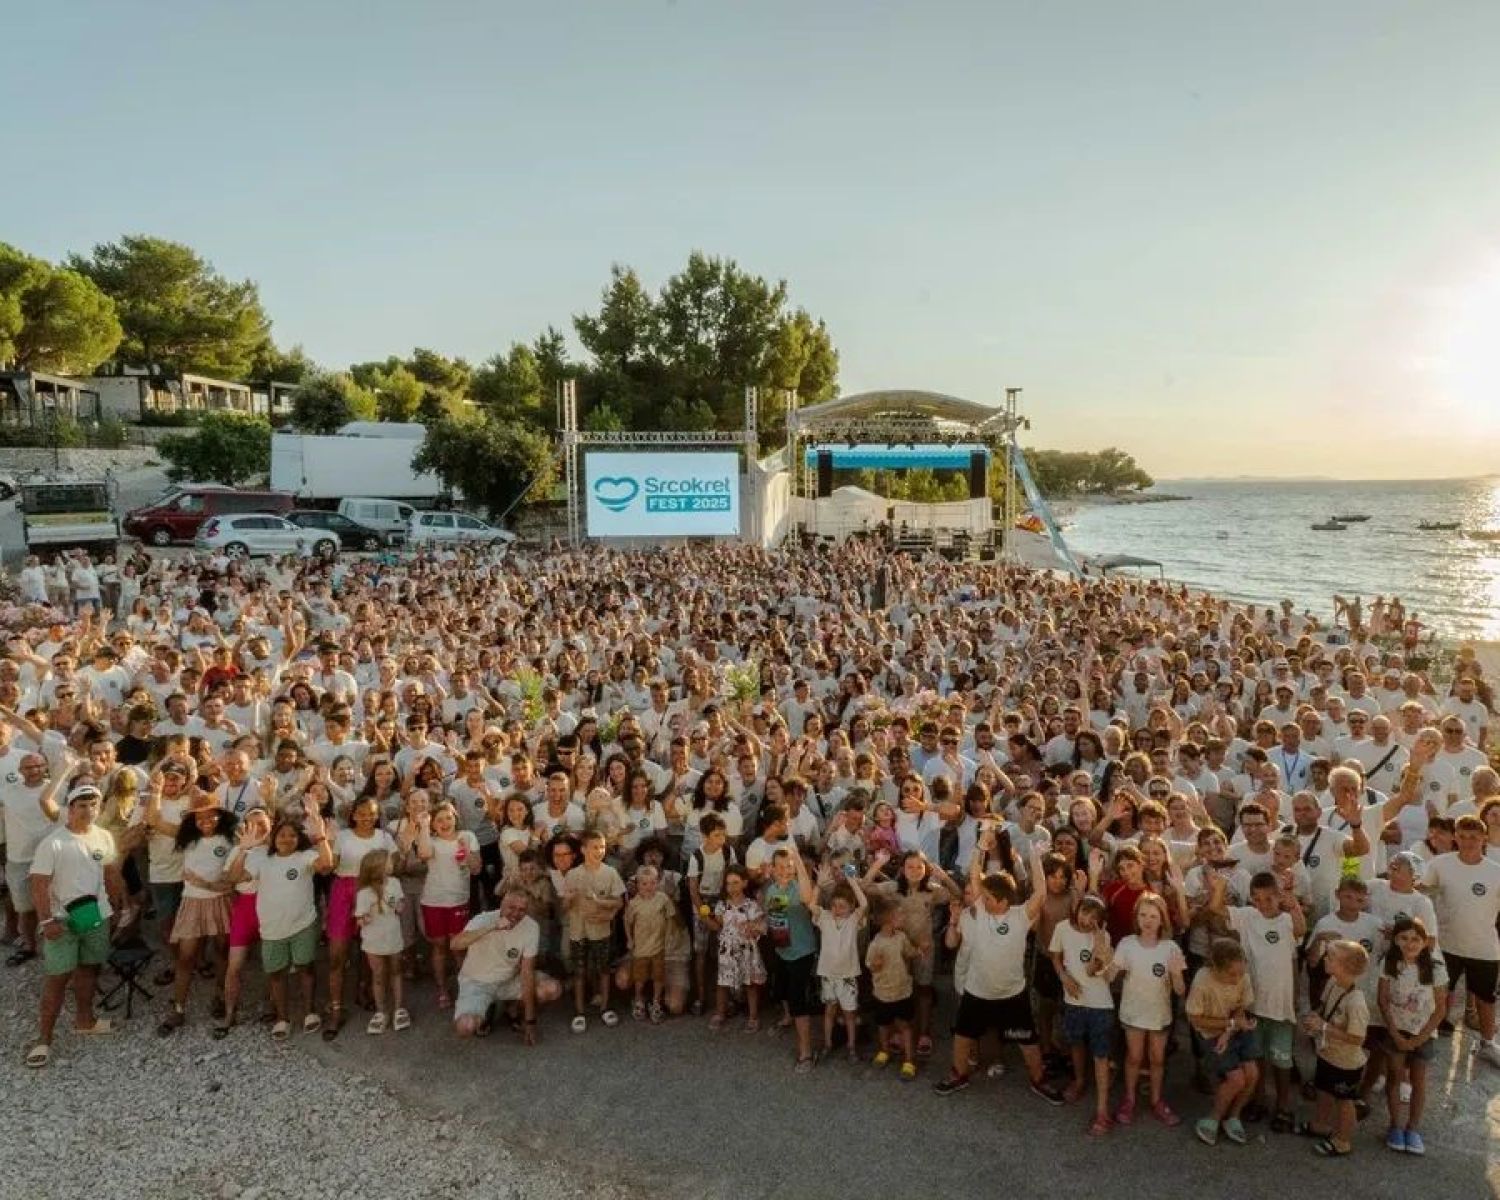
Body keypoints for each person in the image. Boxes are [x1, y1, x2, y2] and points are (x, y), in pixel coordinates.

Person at [934, 832, 1065, 1104]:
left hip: (1012, 995)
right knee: (963, 1036)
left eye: (989, 896)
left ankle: (1039, 1080)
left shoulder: (1021, 916)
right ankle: (959, 1074)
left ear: (1005, 900)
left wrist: (1036, 859)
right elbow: (973, 876)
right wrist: (979, 848)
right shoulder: (980, 912)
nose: (981, 898)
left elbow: (1040, 893)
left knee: (1027, 1040)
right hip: (976, 992)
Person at [25, 783, 125, 1068]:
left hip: (94, 914)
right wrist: (45, 921)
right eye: (81, 805)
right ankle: (43, 1039)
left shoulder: (103, 837)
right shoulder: (53, 843)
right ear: (70, 809)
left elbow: (109, 872)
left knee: (90, 968)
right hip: (61, 919)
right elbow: (39, 885)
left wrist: (117, 907)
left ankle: (85, 1020)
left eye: (93, 805)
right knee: (58, 977)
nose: (88, 810)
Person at [233, 810, 334, 1039]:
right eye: (282, 835)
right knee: (276, 974)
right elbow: (235, 878)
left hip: (303, 925)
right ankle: (282, 1017)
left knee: (305, 968)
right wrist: (242, 850)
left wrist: (321, 838)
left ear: (299, 839)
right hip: (272, 929)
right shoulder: (260, 859)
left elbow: (326, 865)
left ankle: (309, 1012)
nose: (287, 839)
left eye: (292, 835)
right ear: (273, 838)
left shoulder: (305, 857)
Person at [1421, 814, 1500, 1065]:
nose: (1468, 842)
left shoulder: (1496, 871)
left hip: (1484, 946)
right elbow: (1421, 892)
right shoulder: (1439, 864)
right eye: (1463, 836)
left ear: (1484, 838)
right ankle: (1426, 1039)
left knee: (1486, 999)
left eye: (1474, 837)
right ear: (1455, 837)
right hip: (1446, 944)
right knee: (1438, 993)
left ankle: (1488, 1043)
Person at [158, 793, 237, 1037]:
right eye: (199, 817)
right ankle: (178, 1007)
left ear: (219, 816)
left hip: (220, 901)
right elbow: (155, 820)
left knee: (222, 951)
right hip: (192, 902)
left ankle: (219, 996)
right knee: (186, 957)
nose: (205, 821)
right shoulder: (187, 840)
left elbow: (231, 876)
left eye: (210, 816)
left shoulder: (229, 840)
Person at [1110, 890, 1186, 1127]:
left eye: (1153, 916)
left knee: (1157, 1059)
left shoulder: (1171, 948)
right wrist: (1103, 958)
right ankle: (1129, 1099)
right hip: (1133, 1012)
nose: (1148, 920)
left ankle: (1156, 1100)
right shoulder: (1127, 944)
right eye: (1143, 915)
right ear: (1137, 918)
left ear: (1162, 919)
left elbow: (1180, 991)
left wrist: (1175, 974)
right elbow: (1111, 976)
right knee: (1133, 1057)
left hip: (1159, 1015)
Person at [451, 888, 561, 1041]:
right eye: (511, 907)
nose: (516, 914)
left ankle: (514, 1009)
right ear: (502, 904)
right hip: (477, 983)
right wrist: (492, 927)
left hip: (509, 980)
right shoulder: (483, 919)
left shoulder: (531, 927)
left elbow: (527, 973)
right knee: (466, 1027)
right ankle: (488, 1007)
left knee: (551, 989)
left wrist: (530, 1021)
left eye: (522, 910)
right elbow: (455, 944)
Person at [1377, 916, 1445, 1155]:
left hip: (1423, 1033)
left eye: (1416, 939)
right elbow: (1383, 1001)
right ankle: (1395, 1125)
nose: (1410, 943)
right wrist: (1396, 1035)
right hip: (1397, 1031)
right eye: (1404, 938)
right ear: (1395, 940)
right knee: (1394, 1078)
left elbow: (1440, 1009)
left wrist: (1419, 1038)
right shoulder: (1389, 964)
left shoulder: (1435, 968)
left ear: (1425, 942)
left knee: (1418, 1081)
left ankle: (1413, 1128)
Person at [1050, 893, 1117, 1135]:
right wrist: (1063, 976)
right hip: (1074, 1001)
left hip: (1099, 1005)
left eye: (1093, 916)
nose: (1087, 919)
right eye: (1084, 912)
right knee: (1076, 1043)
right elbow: (1055, 956)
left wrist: (1100, 948)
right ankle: (1079, 1081)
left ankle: (1102, 1110)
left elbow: (1092, 971)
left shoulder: (1103, 937)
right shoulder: (1062, 929)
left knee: (1100, 1055)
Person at [1299, 940, 1371, 1158]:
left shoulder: (1356, 1003)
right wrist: (1315, 1017)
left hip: (1346, 1062)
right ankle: (1320, 1125)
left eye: (1330, 957)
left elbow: (1357, 1038)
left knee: (1344, 1102)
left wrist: (1324, 1027)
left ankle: (1343, 1140)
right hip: (1328, 1053)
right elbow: (1323, 1007)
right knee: (1323, 1090)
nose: (1325, 959)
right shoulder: (1333, 982)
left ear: (1345, 966)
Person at [1186, 937, 1259, 1147]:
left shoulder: (1241, 977)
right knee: (1236, 1080)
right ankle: (1214, 1118)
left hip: (1236, 1029)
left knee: (1252, 1074)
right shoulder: (1202, 981)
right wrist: (1228, 1025)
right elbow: (1195, 1018)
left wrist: (1231, 1027)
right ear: (1215, 968)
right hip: (1211, 1034)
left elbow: (1240, 1006)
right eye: (1232, 974)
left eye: (1241, 973)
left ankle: (1233, 1116)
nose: (1238, 979)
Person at [562, 828, 625, 1032]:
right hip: (578, 931)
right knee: (580, 972)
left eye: (602, 847)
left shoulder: (610, 873)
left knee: (604, 970)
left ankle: (605, 1007)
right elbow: (564, 906)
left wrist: (601, 903)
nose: (599, 851)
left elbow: (619, 902)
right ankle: (579, 1011)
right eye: (594, 847)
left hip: (602, 930)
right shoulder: (573, 874)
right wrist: (568, 899)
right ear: (582, 849)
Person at [811, 873, 868, 1061]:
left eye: (843, 906)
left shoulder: (853, 920)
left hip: (848, 976)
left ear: (851, 907)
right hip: (828, 975)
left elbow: (864, 904)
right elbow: (812, 906)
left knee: (849, 1013)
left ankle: (851, 1046)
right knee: (829, 1011)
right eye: (834, 905)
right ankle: (828, 1043)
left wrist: (852, 880)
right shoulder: (825, 918)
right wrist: (818, 886)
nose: (837, 909)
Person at [865, 896, 921, 1079]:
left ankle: (909, 1059)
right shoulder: (875, 943)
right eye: (900, 916)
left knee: (905, 1026)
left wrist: (919, 950)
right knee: (883, 1025)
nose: (903, 918)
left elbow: (910, 952)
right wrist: (876, 964)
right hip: (883, 993)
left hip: (902, 991)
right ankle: (884, 1050)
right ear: (889, 920)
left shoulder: (901, 937)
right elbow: (869, 964)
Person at [355, 848, 409, 1034]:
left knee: (396, 971)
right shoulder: (364, 893)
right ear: (378, 868)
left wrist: (399, 906)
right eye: (388, 863)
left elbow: (401, 904)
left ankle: (399, 1008)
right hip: (373, 941)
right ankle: (381, 1011)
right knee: (378, 976)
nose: (391, 865)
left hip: (393, 936)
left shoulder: (394, 883)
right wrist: (364, 919)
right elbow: (359, 918)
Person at [705, 864, 765, 1031]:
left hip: (746, 950)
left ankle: (753, 1016)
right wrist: (704, 916)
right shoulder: (722, 905)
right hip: (727, 950)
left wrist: (752, 926)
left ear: (745, 883)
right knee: (723, 983)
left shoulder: (751, 906)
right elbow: (717, 925)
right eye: (728, 883)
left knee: (750, 983)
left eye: (736, 883)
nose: (731, 888)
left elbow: (758, 925)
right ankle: (720, 1013)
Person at [622, 864, 676, 1023]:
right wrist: (630, 939)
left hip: (659, 947)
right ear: (638, 884)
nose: (648, 887)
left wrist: (669, 936)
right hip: (640, 949)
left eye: (652, 883)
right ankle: (639, 999)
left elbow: (670, 918)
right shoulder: (633, 904)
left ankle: (656, 1001)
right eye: (644, 883)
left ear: (657, 882)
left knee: (658, 977)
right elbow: (626, 922)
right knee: (640, 978)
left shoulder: (663, 899)